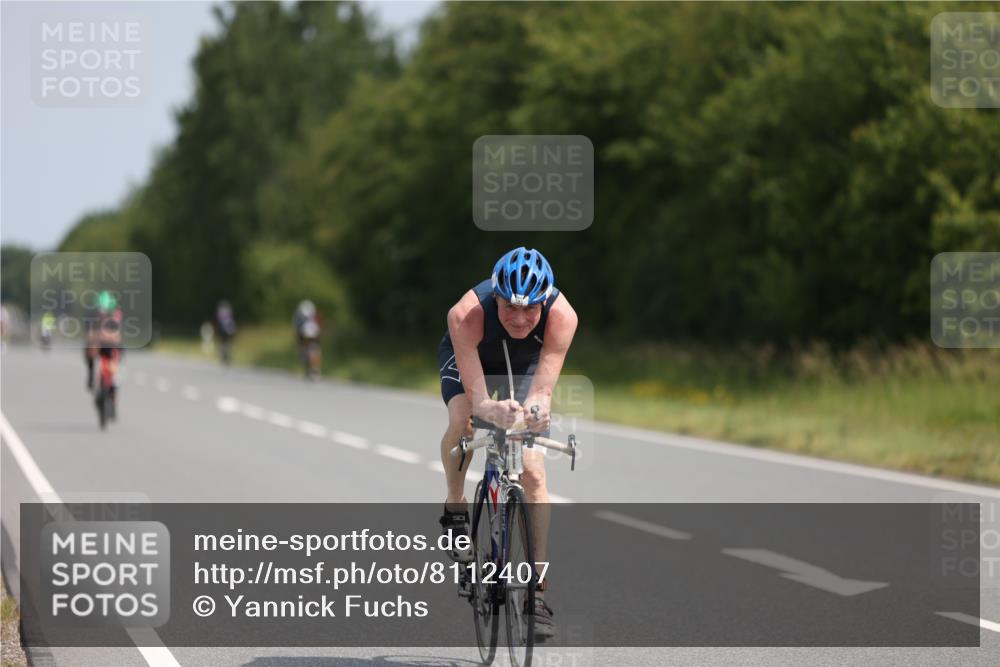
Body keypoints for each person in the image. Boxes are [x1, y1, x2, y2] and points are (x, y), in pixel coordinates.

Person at [437, 247, 578, 639]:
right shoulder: (466, 314)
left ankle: (536, 589)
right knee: (464, 418)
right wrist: (490, 409)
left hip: (526, 361)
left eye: (530, 310)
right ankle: (455, 507)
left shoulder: (563, 317)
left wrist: (534, 412)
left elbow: (543, 393)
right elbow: (480, 401)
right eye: (509, 308)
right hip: (473, 356)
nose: (519, 318)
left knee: (532, 469)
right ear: (495, 297)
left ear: (544, 301)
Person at [92, 291, 123, 415]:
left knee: (114, 375)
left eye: (104, 310)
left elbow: (117, 336)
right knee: (97, 370)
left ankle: (113, 401)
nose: (102, 313)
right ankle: (98, 392)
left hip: (112, 349)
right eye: (101, 310)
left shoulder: (116, 316)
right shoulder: (96, 319)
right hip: (101, 349)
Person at [293, 300, 323, 378]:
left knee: (314, 350)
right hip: (308, 337)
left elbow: (298, 333)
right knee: (312, 350)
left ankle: (314, 368)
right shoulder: (302, 318)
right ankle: (312, 368)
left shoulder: (301, 318)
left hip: (310, 337)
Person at [214, 300, 237, 365]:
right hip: (228, 330)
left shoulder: (220, 312)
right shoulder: (229, 312)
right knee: (227, 344)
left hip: (223, 331)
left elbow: (218, 321)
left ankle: (224, 356)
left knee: (223, 343)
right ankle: (227, 356)